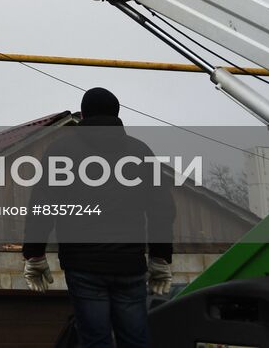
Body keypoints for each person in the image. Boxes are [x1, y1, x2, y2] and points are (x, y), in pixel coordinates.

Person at [22, 87, 176, 348]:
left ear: (83, 115)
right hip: (129, 264)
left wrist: (35, 255)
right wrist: (160, 258)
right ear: (117, 114)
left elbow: (44, 206)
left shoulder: (62, 150)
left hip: (83, 265)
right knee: (136, 340)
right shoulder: (140, 151)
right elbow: (161, 208)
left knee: (95, 340)